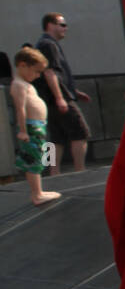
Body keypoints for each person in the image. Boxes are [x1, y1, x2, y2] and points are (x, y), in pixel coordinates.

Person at [32, 13, 92, 174]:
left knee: (56, 138)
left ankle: (53, 172)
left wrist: (74, 91)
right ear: (50, 25)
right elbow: (50, 72)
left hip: (48, 99)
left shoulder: (43, 44)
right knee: (80, 132)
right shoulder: (48, 44)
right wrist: (60, 98)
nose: (66, 28)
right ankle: (80, 171)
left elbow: (56, 75)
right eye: (62, 24)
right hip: (57, 98)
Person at [9, 46, 61, 205]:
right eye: (36, 71)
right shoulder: (18, 84)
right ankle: (37, 194)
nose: (38, 76)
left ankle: (39, 191)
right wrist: (23, 131)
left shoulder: (25, 83)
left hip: (37, 126)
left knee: (39, 158)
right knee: (33, 161)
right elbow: (20, 109)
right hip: (30, 127)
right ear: (23, 65)